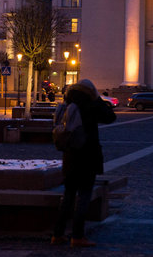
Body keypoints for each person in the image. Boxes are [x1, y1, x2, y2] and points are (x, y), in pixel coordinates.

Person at [51, 79, 116, 248]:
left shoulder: (67, 104)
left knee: (68, 196)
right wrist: (98, 99)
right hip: (87, 157)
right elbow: (110, 116)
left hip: (70, 157)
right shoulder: (90, 106)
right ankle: (78, 236)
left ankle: (57, 234)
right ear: (90, 92)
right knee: (84, 196)